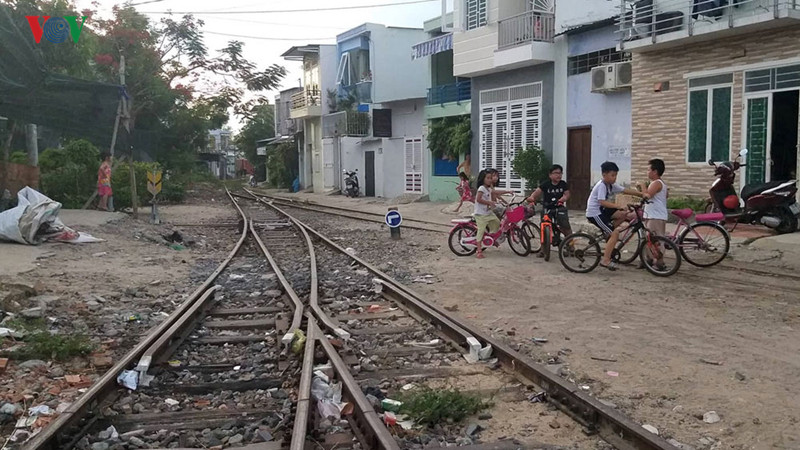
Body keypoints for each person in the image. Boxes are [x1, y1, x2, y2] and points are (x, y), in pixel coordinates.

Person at [585, 161, 646, 271]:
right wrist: (618, 206)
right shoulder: (602, 186)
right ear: (604, 175)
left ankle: (608, 232)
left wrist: (642, 194)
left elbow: (626, 190)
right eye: (612, 175)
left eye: (616, 175)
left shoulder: (610, 185)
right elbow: (602, 202)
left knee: (624, 214)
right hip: (595, 213)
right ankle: (605, 260)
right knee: (615, 233)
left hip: (602, 210)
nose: (615, 178)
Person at [526, 164, 572, 255]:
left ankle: (571, 246)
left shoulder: (563, 184)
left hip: (559, 207)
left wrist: (564, 198)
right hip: (547, 208)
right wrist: (531, 199)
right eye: (556, 173)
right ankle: (543, 250)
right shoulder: (545, 184)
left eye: (560, 173)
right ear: (550, 175)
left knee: (566, 227)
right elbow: (536, 193)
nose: (558, 175)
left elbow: (567, 194)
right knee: (543, 228)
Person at [638, 158, 668, 269]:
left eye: (648, 169)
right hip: (651, 214)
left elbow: (647, 196)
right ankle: (648, 260)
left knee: (656, 240)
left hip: (656, 216)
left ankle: (659, 263)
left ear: (655, 171)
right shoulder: (657, 183)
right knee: (649, 238)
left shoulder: (656, 183)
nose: (647, 172)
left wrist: (642, 186)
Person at [474, 169, 501, 259]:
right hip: (480, 214)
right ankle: (479, 251)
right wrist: (489, 203)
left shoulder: (488, 188)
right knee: (481, 231)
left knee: (497, 222)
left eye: (491, 178)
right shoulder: (481, 188)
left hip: (488, 213)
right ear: (483, 179)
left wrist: (508, 192)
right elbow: (478, 199)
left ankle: (491, 238)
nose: (490, 180)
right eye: (488, 178)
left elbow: (496, 193)